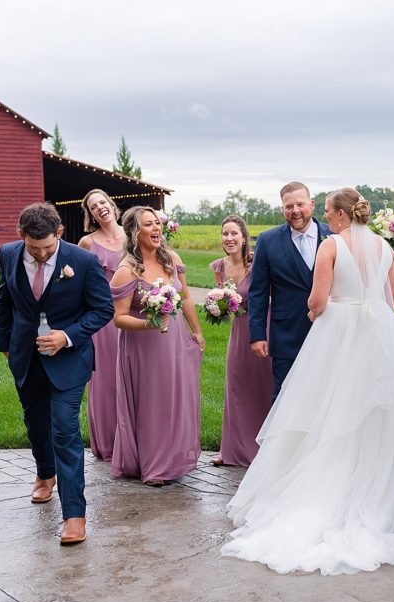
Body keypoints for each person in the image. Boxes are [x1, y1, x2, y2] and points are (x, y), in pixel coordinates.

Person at [223, 188, 394, 576]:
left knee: (326, 408)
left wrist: (323, 314)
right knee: (381, 411)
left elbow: (317, 302)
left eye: (328, 211)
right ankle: (384, 498)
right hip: (381, 333)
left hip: (340, 330)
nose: (326, 217)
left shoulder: (330, 246)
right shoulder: (386, 247)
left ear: (341, 214)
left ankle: (325, 496)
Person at [0, 203, 113, 545]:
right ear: (22, 237)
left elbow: (102, 309)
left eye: (48, 247)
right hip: (25, 357)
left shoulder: (83, 261)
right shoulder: (8, 254)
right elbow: (4, 302)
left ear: (59, 233)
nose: (43, 254)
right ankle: (45, 473)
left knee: (64, 429)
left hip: (69, 359)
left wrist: (68, 336)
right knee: (35, 422)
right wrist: (5, 343)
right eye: (35, 248)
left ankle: (74, 516)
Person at [110, 206, 205, 485]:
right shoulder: (127, 271)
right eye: (148, 225)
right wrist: (149, 324)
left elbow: (185, 297)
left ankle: (174, 457)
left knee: (175, 397)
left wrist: (196, 331)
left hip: (173, 339)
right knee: (153, 403)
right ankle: (154, 466)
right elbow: (118, 318)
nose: (155, 229)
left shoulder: (171, 259)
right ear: (134, 232)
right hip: (143, 346)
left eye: (157, 223)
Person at [248, 182, 330, 401]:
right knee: (285, 398)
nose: (295, 211)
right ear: (282, 209)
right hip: (287, 335)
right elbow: (258, 292)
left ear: (311, 204)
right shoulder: (267, 240)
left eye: (300, 204)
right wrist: (257, 335)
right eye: (288, 206)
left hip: (330, 331)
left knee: (326, 398)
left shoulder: (333, 235)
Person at [209, 215, 274, 467]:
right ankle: (232, 449)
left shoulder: (256, 263)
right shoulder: (219, 267)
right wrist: (219, 307)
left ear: (244, 236)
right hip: (238, 331)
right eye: (225, 234)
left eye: (234, 233)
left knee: (264, 385)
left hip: (262, 326)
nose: (229, 238)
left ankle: (265, 448)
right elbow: (220, 302)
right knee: (237, 387)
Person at [77, 189, 125, 462]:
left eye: (103, 202)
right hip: (104, 320)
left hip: (132, 314)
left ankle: (133, 438)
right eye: (94, 207)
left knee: (132, 376)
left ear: (111, 204)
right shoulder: (86, 243)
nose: (100, 208)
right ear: (91, 214)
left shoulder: (132, 234)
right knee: (105, 379)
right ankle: (108, 442)